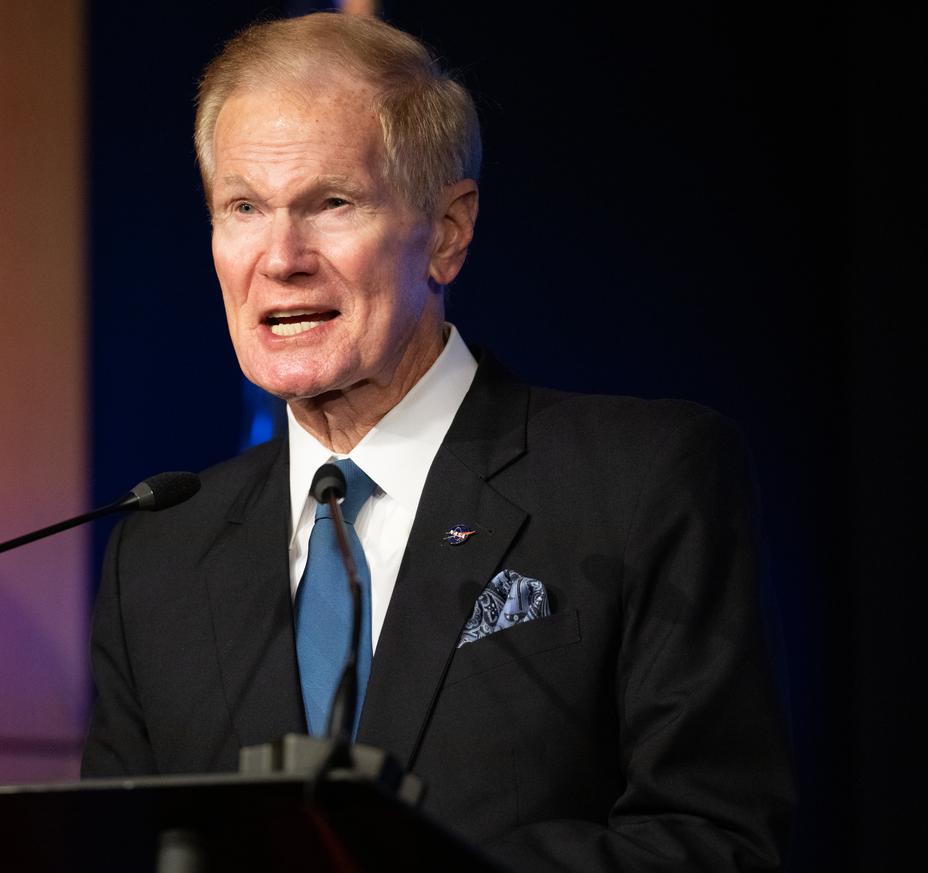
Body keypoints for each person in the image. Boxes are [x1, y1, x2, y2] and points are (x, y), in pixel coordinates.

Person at [82, 11, 793, 870]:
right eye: (243, 207)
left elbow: (718, 840)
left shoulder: (640, 481)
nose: (280, 256)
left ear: (448, 232)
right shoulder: (158, 552)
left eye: (332, 203)